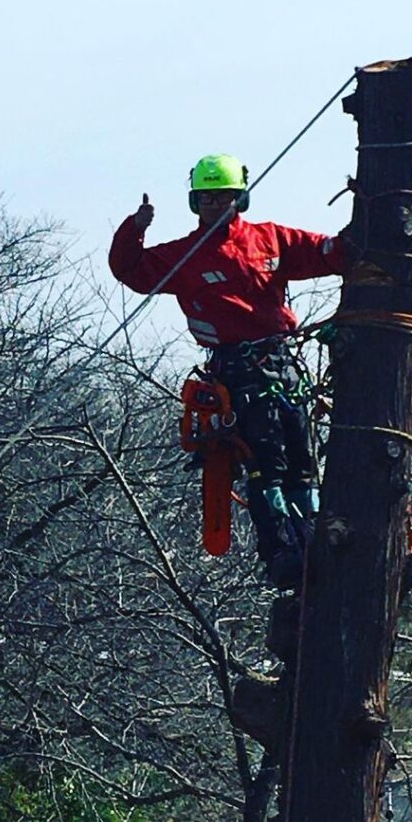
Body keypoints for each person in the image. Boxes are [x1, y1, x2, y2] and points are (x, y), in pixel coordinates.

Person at [109, 154, 353, 587]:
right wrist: (136, 227)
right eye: (206, 199)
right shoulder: (186, 256)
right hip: (237, 374)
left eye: (222, 197)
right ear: (194, 202)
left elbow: (327, 253)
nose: (214, 206)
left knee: (302, 460)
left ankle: (315, 540)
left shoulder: (270, 240)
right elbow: (130, 270)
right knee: (266, 463)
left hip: (282, 367)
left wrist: (364, 232)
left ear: (240, 198)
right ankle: (282, 550)